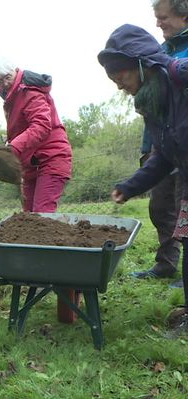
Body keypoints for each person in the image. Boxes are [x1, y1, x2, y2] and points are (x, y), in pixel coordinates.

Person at [98, 23, 188, 334]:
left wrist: (174, 65)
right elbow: (164, 155)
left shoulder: (179, 76)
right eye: (113, 80)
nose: (119, 86)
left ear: (140, 63)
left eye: (120, 76)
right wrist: (129, 187)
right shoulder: (153, 104)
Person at [131, 0, 186, 288]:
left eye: (163, 18)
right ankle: (167, 263)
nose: (158, 24)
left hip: (184, 146)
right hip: (160, 146)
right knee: (160, 205)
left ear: (184, 14)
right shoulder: (161, 51)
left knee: (184, 209)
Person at [0, 61, 73, 213]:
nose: (5, 83)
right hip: (32, 163)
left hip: (51, 158)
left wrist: (13, 148)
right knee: (28, 217)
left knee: (41, 215)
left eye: (7, 77)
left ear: (15, 71)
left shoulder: (30, 92)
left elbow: (41, 125)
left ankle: (53, 236)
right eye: (0, 81)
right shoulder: (13, 98)